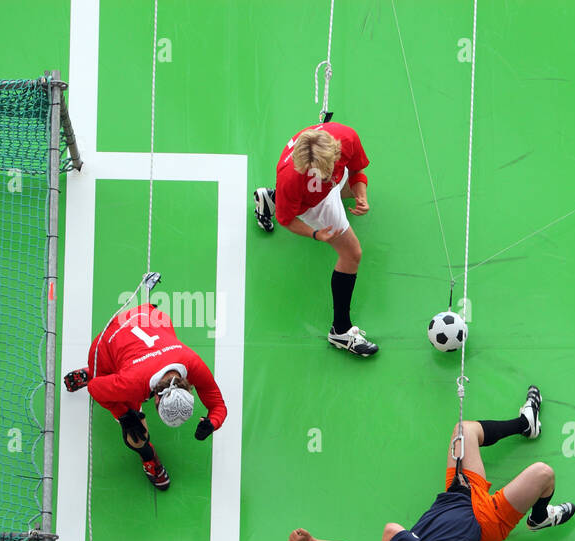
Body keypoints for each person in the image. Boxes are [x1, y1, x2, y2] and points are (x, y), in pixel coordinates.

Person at [288, 386, 575, 541]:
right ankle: (539, 517)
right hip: (487, 521)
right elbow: (390, 530)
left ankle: (526, 425)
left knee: (464, 429)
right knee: (543, 474)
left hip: (460, 493)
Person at [62, 302, 227, 491]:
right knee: (137, 433)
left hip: (147, 317)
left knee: (150, 340)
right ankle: (148, 457)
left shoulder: (191, 362)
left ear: (188, 387)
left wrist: (212, 422)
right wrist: (124, 414)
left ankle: (115, 371)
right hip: (106, 344)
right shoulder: (131, 385)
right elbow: (94, 388)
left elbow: (218, 406)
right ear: (156, 399)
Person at [252, 121, 378, 356]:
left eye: (326, 171)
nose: (324, 177)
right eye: (317, 174)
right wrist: (315, 233)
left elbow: (357, 173)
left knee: (347, 189)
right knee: (352, 254)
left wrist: (362, 196)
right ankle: (340, 331)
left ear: (336, 151)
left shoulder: (347, 138)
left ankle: (271, 199)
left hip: (317, 183)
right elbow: (286, 220)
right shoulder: (293, 177)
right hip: (315, 203)